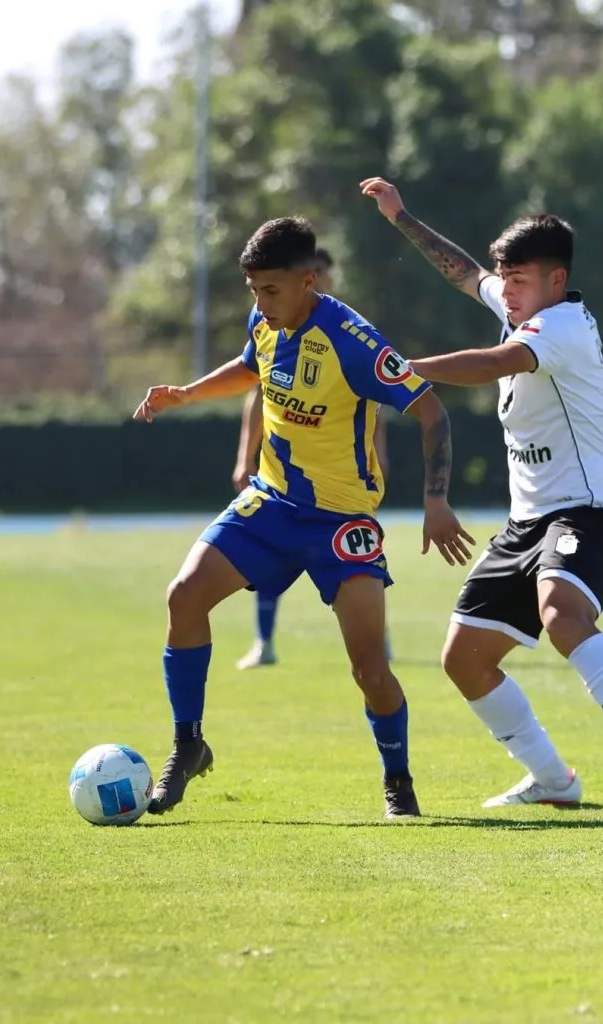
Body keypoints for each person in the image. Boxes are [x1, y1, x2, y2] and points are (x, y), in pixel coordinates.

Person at [361, 176, 603, 807]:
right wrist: (401, 216)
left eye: (520, 281)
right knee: (464, 659)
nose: (505, 291)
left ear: (556, 282)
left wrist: (401, 370)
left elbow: (491, 362)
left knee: (561, 610)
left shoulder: (560, 328)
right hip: (525, 522)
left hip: (586, 510)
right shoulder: (522, 305)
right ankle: (553, 781)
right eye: (505, 280)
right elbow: (465, 274)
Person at [133, 215, 472, 819]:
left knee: (369, 668)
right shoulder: (265, 319)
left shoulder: (352, 339)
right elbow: (251, 370)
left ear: (309, 281)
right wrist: (186, 393)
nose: (260, 304)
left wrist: (436, 499)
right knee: (183, 597)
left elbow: (432, 412)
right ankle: (188, 745)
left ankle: (399, 783)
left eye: (271, 290)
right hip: (270, 502)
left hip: (343, 524)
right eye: (253, 291)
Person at [232, 245, 394, 669]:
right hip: (281, 478)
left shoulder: (349, 333)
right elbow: (259, 392)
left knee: (360, 574)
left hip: (340, 484)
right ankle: (263, 641)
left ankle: (377, 639)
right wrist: (243, 457)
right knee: (265, 556)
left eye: (323, 272)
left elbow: (374, 409)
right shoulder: (271, 323)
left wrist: (380, 457)